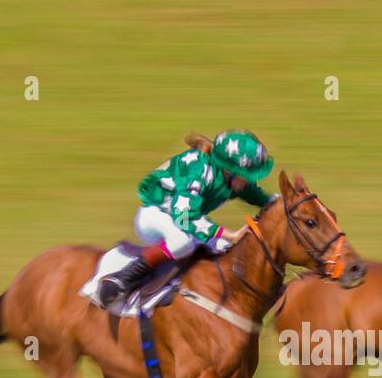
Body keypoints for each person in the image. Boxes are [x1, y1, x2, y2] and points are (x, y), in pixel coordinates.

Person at [98, 130, 276, 307]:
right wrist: (227, 234)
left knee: (227, 249)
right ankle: (121, 279)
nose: (249, 181)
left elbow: (253, 194)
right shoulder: (198, 173)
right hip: (155, 215)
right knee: (181, 242)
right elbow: (184, 218)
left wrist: (279, 204)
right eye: (247, 176)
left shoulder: (227, 176)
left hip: (181, 217)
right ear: (229, 171)